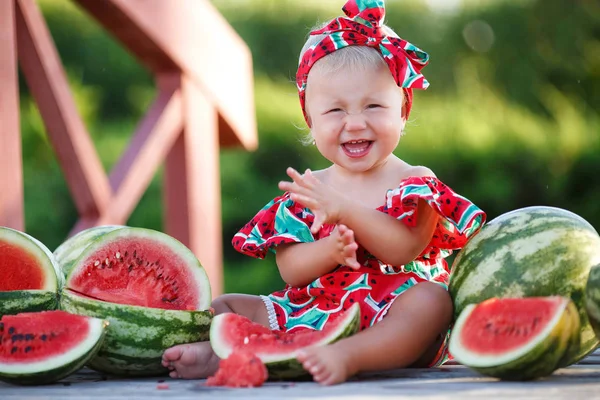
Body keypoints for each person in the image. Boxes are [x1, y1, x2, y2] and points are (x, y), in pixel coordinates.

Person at [162, 0, 486, 385]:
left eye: (374, 106)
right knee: (225, 305)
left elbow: (402, 250)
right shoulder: (310, 187)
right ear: (310, 120)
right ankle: (225, 356)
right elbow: (291, 270)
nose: (354, 123)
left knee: (434, 301)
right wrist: (328, 252)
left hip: (390, 313)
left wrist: (344, 210)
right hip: (314, 311)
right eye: (335, 111)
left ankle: (350, 355)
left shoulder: (415, 182)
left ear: (402, 110)